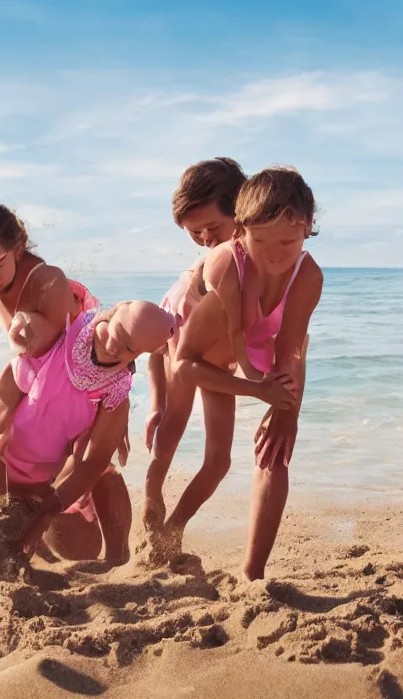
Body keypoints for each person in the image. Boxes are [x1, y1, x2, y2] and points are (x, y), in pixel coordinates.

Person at [163, 166, 324, 581]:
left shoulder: (308, 276)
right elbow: (185, 363)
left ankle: (252, 572)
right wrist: (256, 389)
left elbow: (290, 350)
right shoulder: (229, 271)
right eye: (260, 241)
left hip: (256, 348)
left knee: (277, 449)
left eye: (288, 242)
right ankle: (166, 530)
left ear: (307, 229)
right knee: (206, 449)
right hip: (202, 353)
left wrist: (288, 408)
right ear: (241, 232)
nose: (274, 256)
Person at [0, 194, 104, 536]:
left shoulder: (48, 282)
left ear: (18, 247)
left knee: (80, 513)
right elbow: (26, 358)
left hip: (73, 387)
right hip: (28, 375)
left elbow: (61, 350)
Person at [0, 301, 179, 564]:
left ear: (139, 353)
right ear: (111, 313)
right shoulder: (60, 335)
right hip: (1, 469)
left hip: (47, 485)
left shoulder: (115, 393)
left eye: (128, 347)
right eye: (113, 332)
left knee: (85, 547)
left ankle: (117, 559)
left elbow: (93, 462)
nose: (111, 347)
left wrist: (48, 511)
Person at [144, 157, 247, 531]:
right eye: (194, 232)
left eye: (211, 227)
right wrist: (156, 402)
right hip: (184, 343)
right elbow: (157, 346)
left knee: (219, 462)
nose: (205, 239)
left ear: (242, 209)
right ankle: (152, 492)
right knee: (174, 421)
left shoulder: (257, 254)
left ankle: (174, 529)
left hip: (218, 362)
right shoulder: (204, 275)